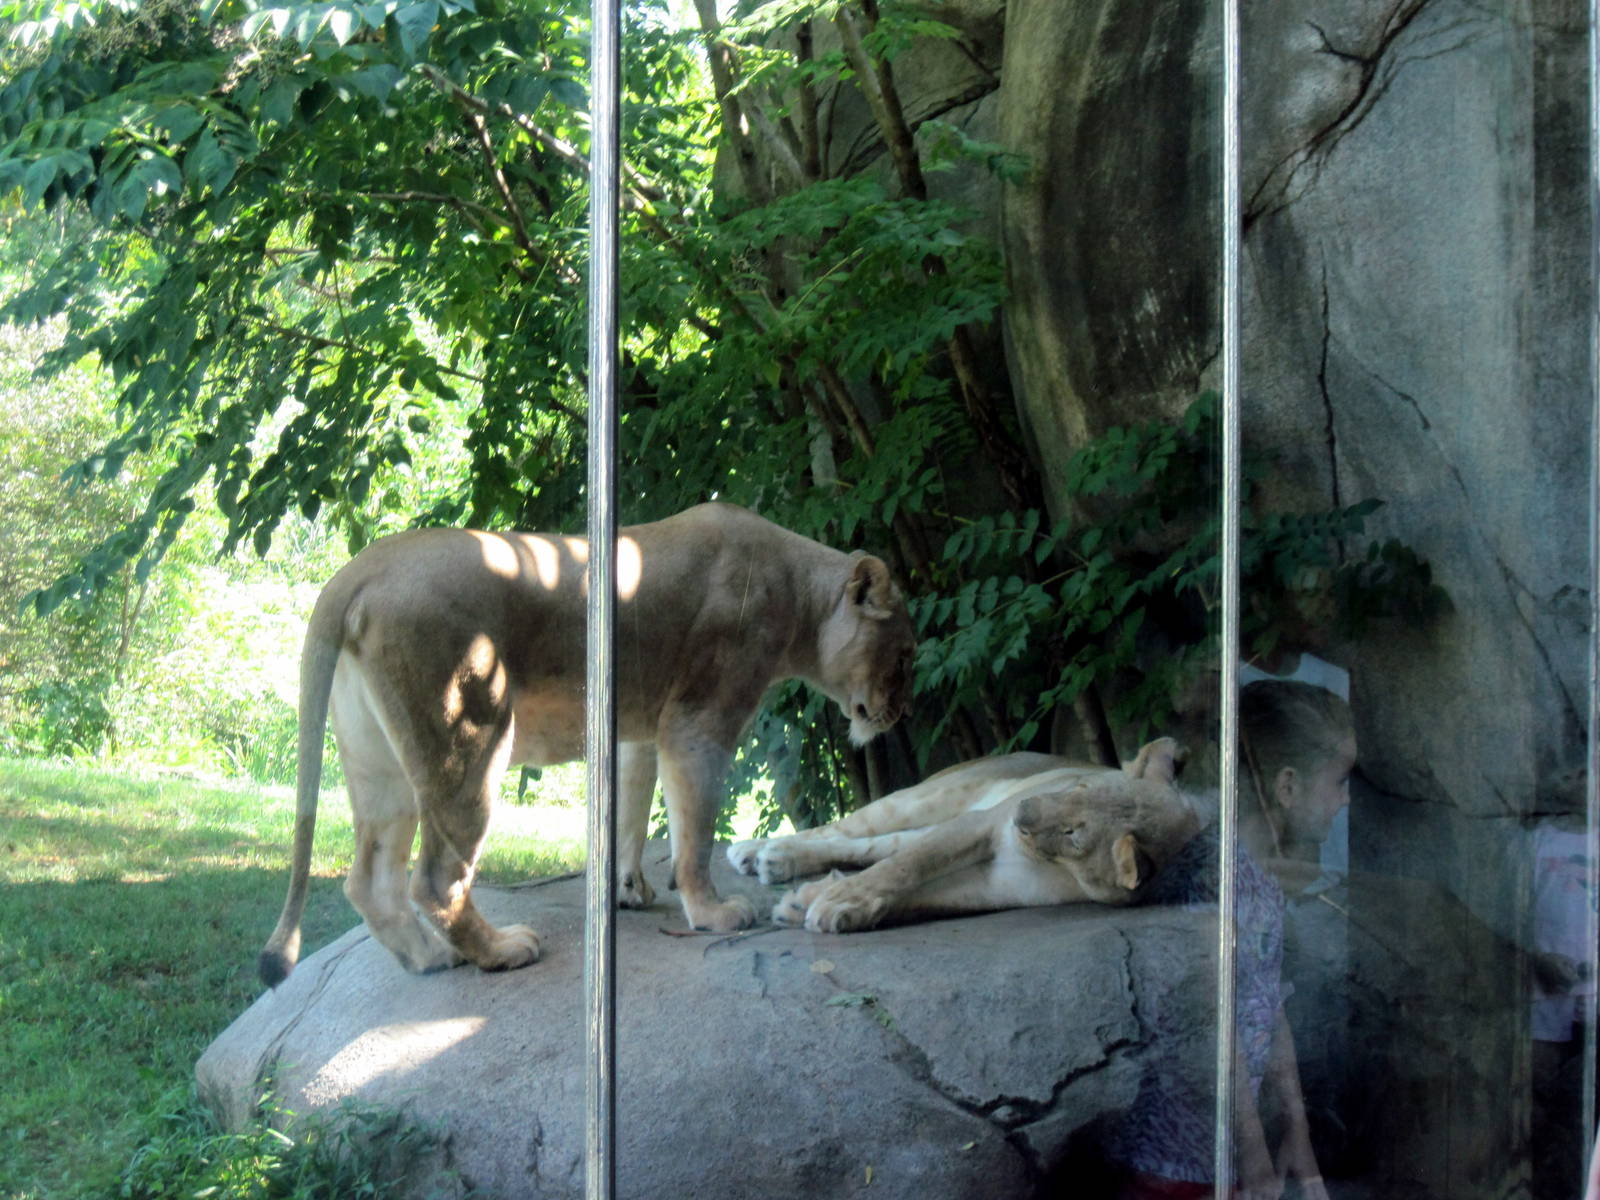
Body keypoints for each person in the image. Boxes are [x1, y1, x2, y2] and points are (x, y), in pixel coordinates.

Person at [1105, 680, 1354, 1200]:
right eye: (1339, 782)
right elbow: (1211, 1035)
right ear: (1287, 787)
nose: (1344, 800)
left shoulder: (1263, 876)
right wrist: (1254, 1154)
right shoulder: (1210, 876)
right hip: (1170, 1166)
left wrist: (1296, 1133)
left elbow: (1269, 1001)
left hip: (1225, 1154)